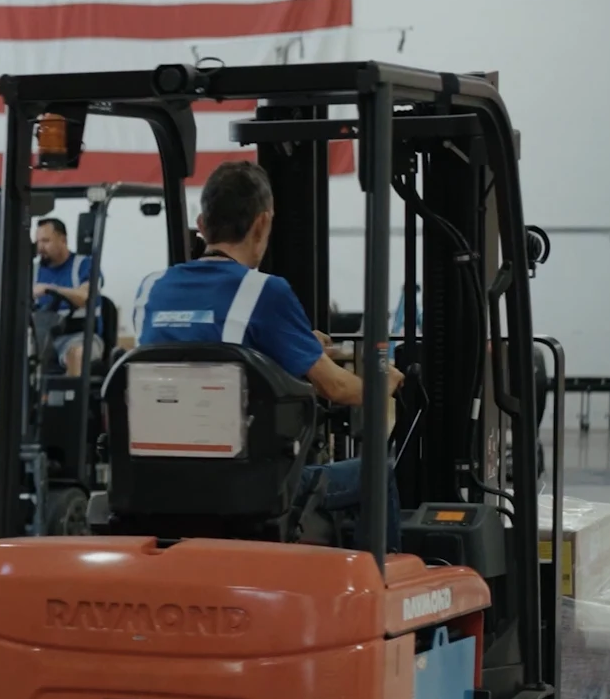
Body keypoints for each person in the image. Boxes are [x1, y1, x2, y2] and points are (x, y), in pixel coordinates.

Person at [131, 161, 406, 551]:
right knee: (378, 473)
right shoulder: (264, 293)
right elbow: (338, 388)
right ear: (262, 224)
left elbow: (199, 353)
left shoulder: (149, 290)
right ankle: (380, 594)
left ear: (202, 224)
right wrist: (385, 383)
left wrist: (290, 342)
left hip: (154, 487)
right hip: (240, 492)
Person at [31, 218, 102, 375]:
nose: (40, 247)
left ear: (63, 240)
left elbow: (85, 296)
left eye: (46, 241)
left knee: (77, 354)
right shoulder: (33, 271)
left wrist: (52, 289)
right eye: (38, 242)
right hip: (41, 338)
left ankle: (71, 398)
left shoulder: (84, 265)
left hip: (78, 335)